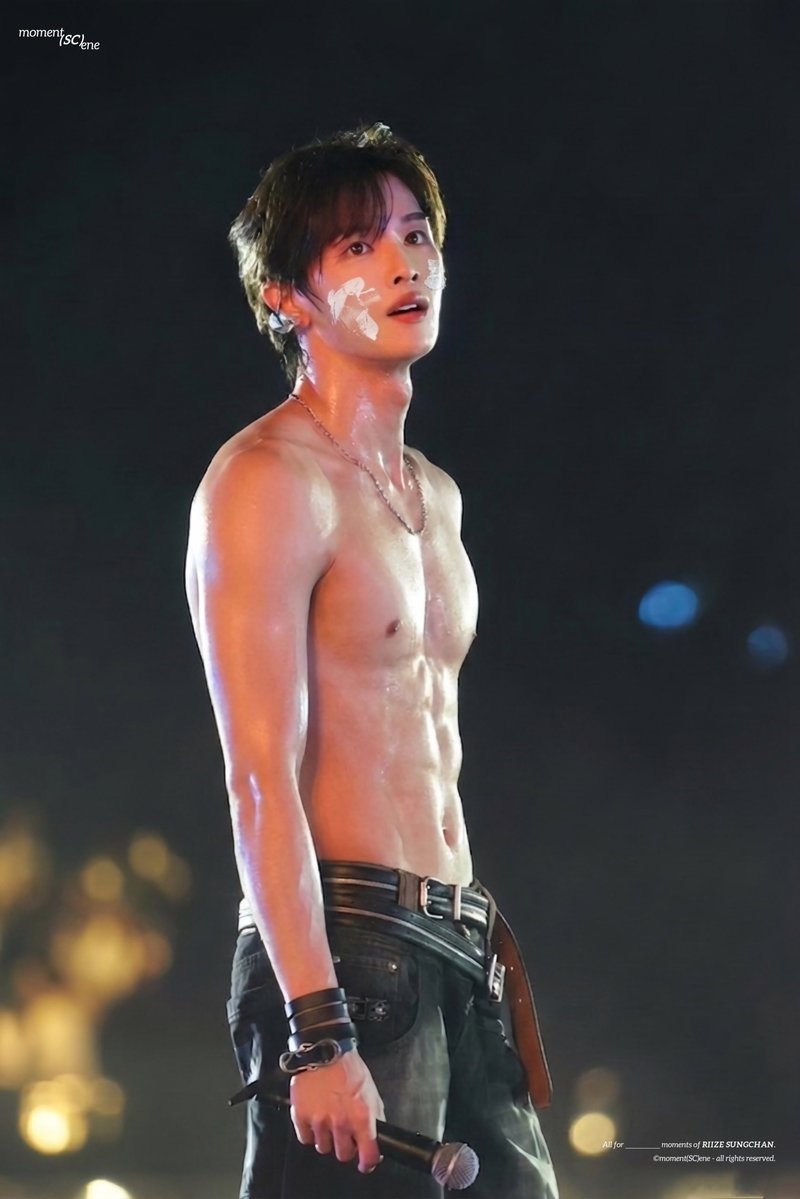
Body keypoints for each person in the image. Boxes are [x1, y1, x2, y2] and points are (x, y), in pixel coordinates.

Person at [185, 121, 559, 1199]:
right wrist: (316, 1026)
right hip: (344, 959)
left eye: (415, 234)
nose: (404, 262)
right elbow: (258, 775)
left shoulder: (434, 494)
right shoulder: (266, 480)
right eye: (358, 246)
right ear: (285, 300)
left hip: (458, 949)